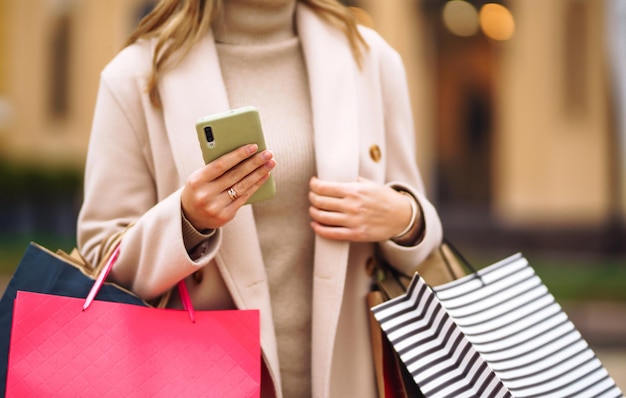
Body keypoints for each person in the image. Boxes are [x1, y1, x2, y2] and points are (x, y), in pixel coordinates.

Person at [77, 0, 443, 396]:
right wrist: (186, 220)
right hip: (201, 376)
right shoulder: (136, 74)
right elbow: (103, 256)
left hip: (352, 373)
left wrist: (405, 218)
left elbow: (418, 236)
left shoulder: (369, 57)